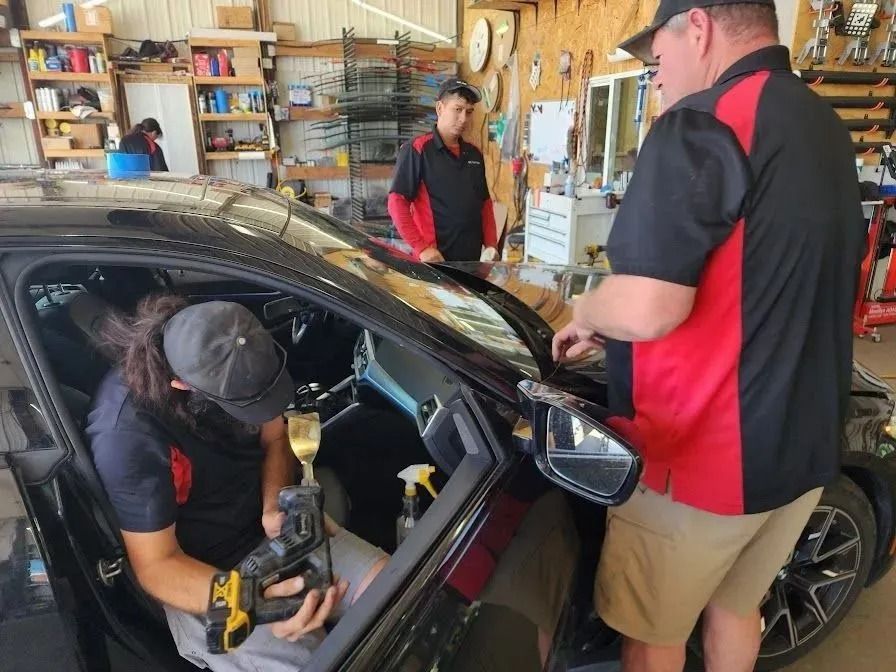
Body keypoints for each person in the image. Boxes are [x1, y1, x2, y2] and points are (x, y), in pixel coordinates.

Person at [551, 2, 865, 671]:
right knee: (734, 610)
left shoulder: (700, 123)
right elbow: (758, 281)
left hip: (701, 466)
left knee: (652, 635)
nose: (656, 77)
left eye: (656, 58)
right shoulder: (823, 125)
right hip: (800, 452)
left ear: (698, 27)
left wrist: (588, 309)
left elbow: (649, 308)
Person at [85, 295, 388, 671]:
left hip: (273, 534)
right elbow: (157, 565)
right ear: (181, 384)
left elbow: (276, 437)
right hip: (205, 576)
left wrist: (274, 504)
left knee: (398, 595)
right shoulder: (127, 437)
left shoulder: (235, 345)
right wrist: (251, 599)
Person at [388, 79, 498, 263]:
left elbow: (484, 203)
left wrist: (491, 245)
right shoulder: (417, 150)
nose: (464, 118)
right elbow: (396, 203)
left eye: (469, 112)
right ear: (440, 108)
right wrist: (421, 247)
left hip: (472, 262)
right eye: (457, 109)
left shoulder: (474, 154)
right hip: (435, 261)